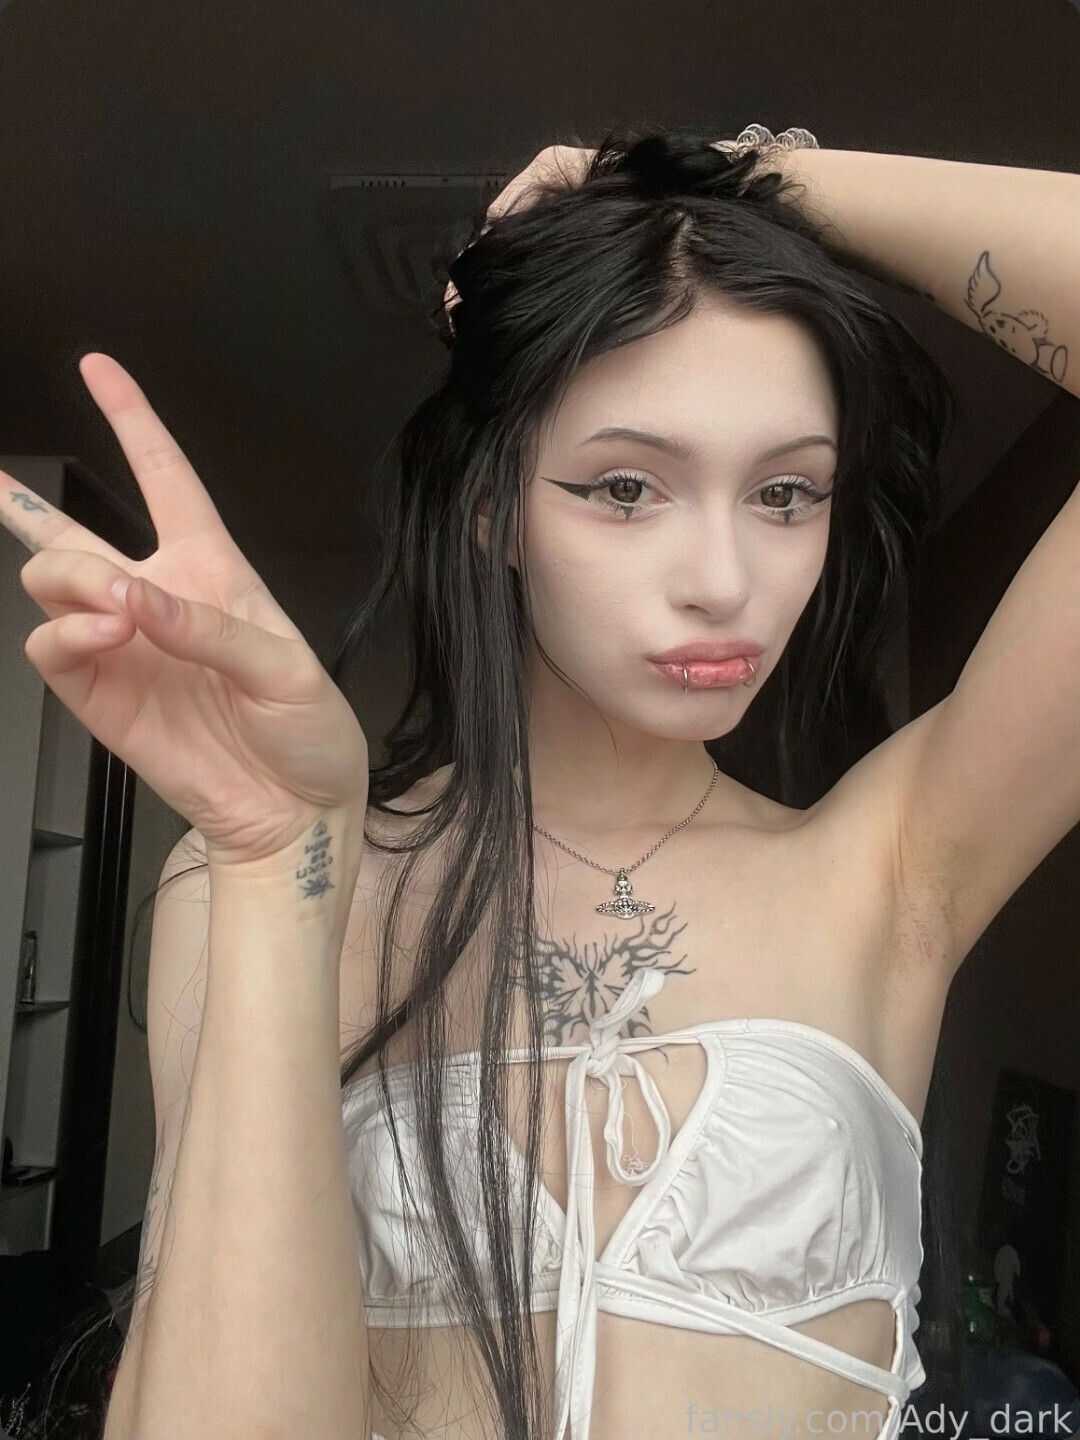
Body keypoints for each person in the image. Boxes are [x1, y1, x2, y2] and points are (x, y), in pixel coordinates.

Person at [6, 121, 1078, 1440]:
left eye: (786, 495)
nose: (723, 581)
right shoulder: (276, 876)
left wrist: (731, 175)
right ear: (492, 509)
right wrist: (282, 863)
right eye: (625, 487)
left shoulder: (896, 865)